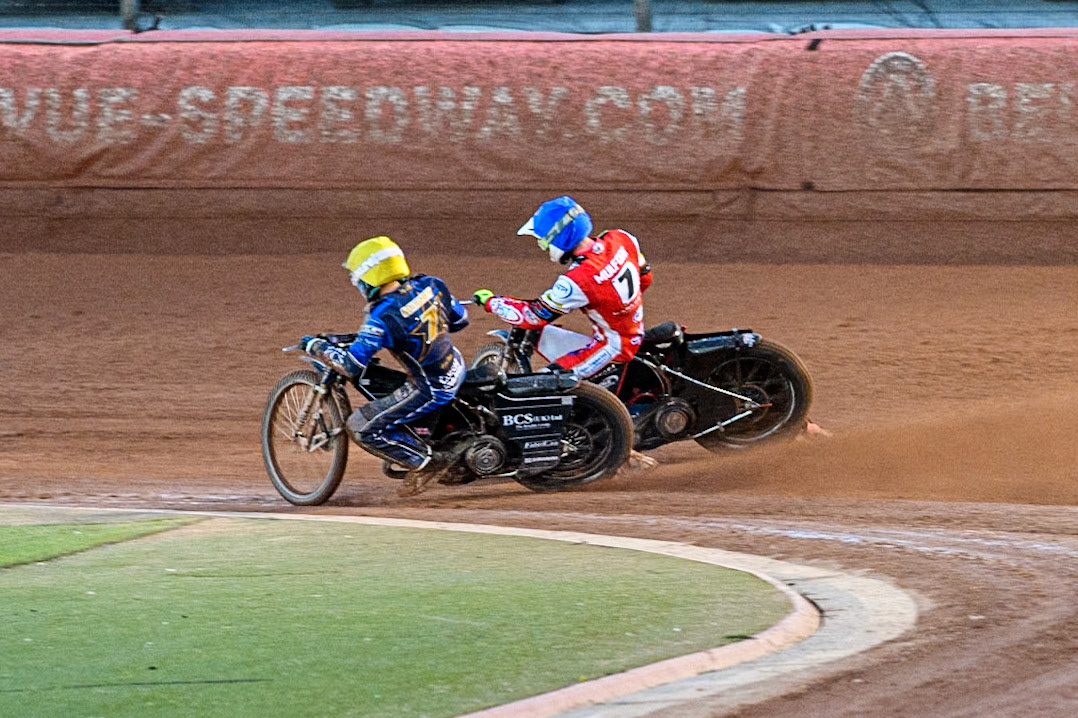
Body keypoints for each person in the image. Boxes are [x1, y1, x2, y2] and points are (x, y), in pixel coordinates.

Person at [300, 236, 469, 497]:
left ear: (368, 279)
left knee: (360, 425)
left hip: (431, 388)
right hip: (456, 366)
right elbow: (460, 320)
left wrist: (317, 347)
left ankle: (426, 462)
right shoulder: (432, 284)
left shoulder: (382, 317)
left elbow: (351, 365)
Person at [472, 195, 652, 381]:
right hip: (630, 330)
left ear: (559, 238)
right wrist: (620, 308)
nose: (543, 245)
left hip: (613, 346)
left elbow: (532, 316)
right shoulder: (621, 238)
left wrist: (492, 302)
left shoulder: (577, 280)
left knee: (543, 384)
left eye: (544, 240)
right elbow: (645, 278)